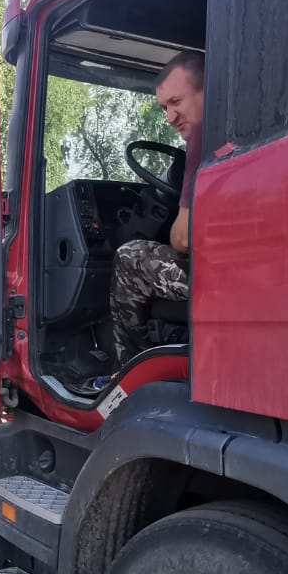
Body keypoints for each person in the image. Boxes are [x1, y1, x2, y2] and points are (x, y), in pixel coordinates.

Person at [109, 49, 205, 363]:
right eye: (164, 107)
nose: (169, 118)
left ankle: (131, 368)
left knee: (129, 257)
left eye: (176, 102)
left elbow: (183, 239)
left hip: (222, 275)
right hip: (254, 268)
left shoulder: (202, 139)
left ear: (207, 90)